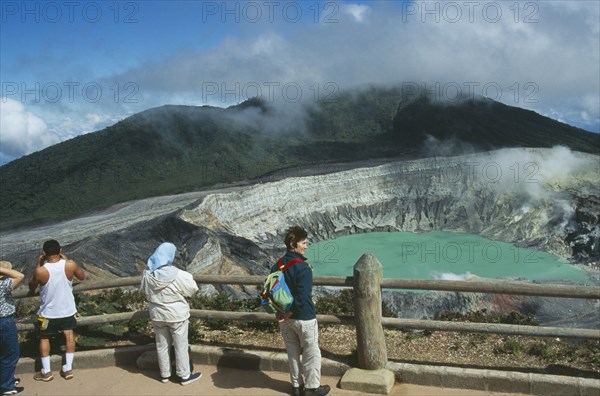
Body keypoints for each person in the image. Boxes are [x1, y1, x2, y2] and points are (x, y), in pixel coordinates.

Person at [272, 226, 330, 396]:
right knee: (312, 353)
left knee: (292, 353)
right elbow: (303, 297)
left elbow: (271, 290)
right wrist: (290, 313)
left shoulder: (277, 265)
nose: (306, 246)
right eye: (303, 243)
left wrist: (281, 313)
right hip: (304, 318)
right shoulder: (303, 268)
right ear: (293, 243)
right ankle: (312, 388)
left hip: (284, 320)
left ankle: (296, 387)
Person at [140, 242, 201, 386]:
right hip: (177, 315)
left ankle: (165, 375)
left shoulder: (147, 275)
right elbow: (192, 289)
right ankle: (184, 375)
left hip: (157, 315)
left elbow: (145, 291)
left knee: (161, 345)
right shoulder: (179, 275)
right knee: (180, 345)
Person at [28, 239, 85, 382]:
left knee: (44, 338)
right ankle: (68, 369)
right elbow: (82, 277)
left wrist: (37, 264)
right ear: (60, 251)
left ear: (44, 253)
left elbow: (31, 287)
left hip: (48, 312)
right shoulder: (69, 265)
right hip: (67, 310)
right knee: (69, 336)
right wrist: (66, 259)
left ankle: (46, 372)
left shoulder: (41, 271)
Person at [0, 261, 25, 395]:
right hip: (4, 322)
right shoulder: (3, 285)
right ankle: (6, 386)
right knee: (10, 354)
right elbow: (20, 276)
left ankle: (6, 379)